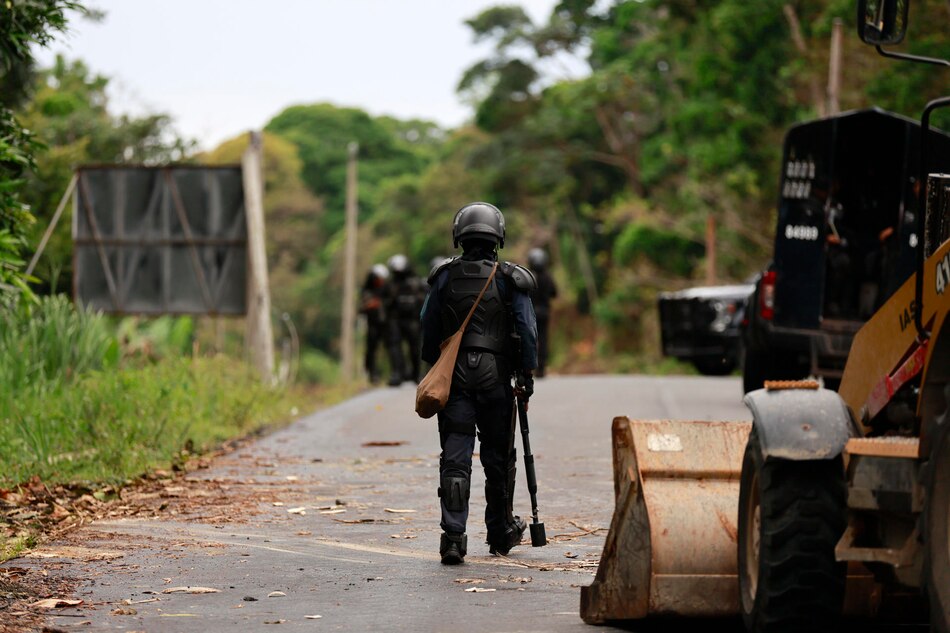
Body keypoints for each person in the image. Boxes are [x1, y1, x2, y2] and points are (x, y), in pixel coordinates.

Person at [420, 202, 539, 565]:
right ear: (498, 236)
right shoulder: (510, 278)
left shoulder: (443, 276)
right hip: (496, 379)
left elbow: (428, 326)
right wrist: (526, 376)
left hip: (455, 378)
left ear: (459, 235)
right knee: (498, 459)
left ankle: (453, 539)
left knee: (455, 458)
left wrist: (437, 364)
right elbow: (527, 331)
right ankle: (500, 532)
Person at [384, 253, 426, 386]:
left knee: (415, 347)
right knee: (394, 346)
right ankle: (397, 373)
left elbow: (424, 301)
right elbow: (386, 303)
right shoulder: (390, 285)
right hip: (396, 320)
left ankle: (417, 373)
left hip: (413, 320)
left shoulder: (417, 282)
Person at [527, 248, 557, 377]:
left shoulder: (528, 277)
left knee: (529, 339)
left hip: (530, 313)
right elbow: (554, 293)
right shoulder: (547, 277)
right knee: (543, 340)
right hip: (544, 312)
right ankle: (541, 369)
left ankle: (528, 367)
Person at [359, 263, 389, 384]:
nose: (380, 281)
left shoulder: (386, 289)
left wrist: (381, 303)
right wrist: (369, 306)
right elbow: (360, 309)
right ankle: (373, 374)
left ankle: (396, 373)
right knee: (371, 349)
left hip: (387, 324)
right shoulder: (366, 291)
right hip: (372, 324)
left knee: (392, 347)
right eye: (378, 279)